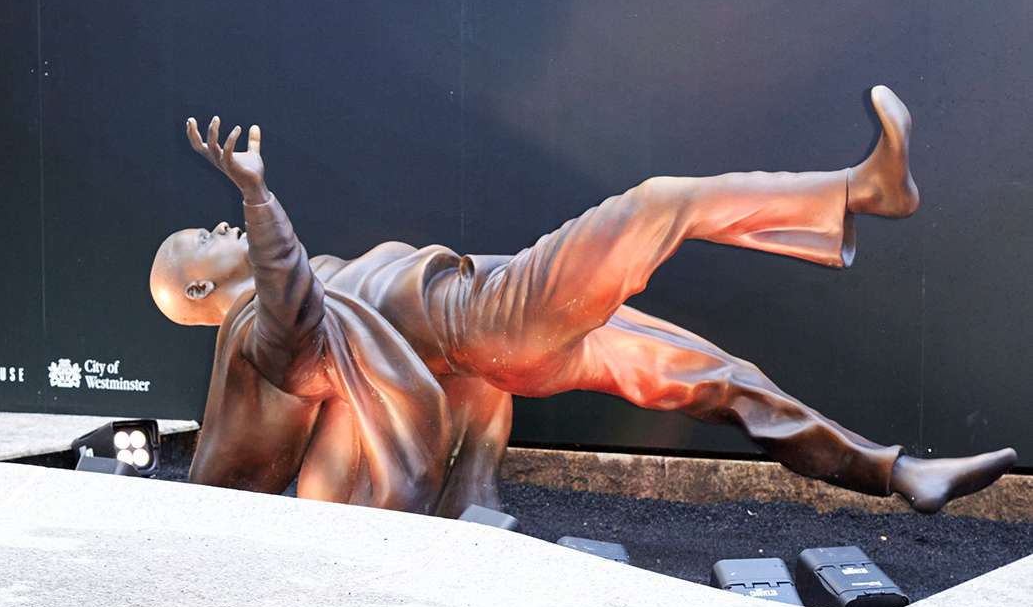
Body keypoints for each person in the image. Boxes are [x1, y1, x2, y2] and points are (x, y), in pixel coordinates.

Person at [150, 90, 1016, 519]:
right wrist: (262, 205)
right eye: (205, 230)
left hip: (489, 337)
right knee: (657, 203)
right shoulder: (250, 329)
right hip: (486, 319)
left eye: (221, 214)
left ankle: (894, 471)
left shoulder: (283, 296)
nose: (217, 220)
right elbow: (297, 329)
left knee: (714, 379)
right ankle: (862, 190)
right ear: (199, 288)